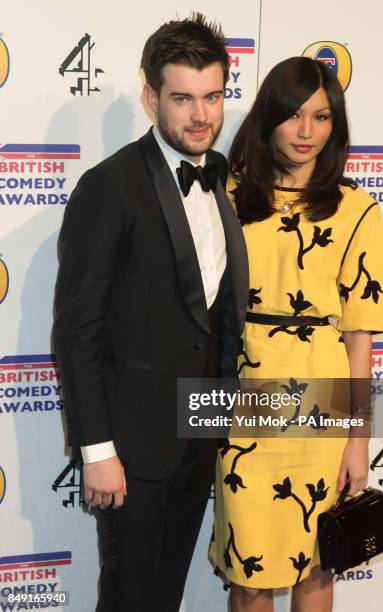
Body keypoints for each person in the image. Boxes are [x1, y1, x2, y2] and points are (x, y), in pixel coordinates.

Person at [53, 13, 248, 612]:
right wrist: (97, 451)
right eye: (183, 98)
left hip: (199, 434)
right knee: (131, 598)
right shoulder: (109, 188)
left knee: (165, 596)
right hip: (132, 449)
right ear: (151, 97)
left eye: (213, 96)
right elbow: (76, 334)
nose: (201, 115)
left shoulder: (220, 183)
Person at [209, 56, 383, 612]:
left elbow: (361, 335)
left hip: (322, 406)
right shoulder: (227, 194)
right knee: (249, 575)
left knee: (317, 566)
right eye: (293, 115)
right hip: (245, 400)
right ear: (269, 117)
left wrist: (358, 439)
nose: (307, 131)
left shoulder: (358, 210)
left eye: (323, 116)